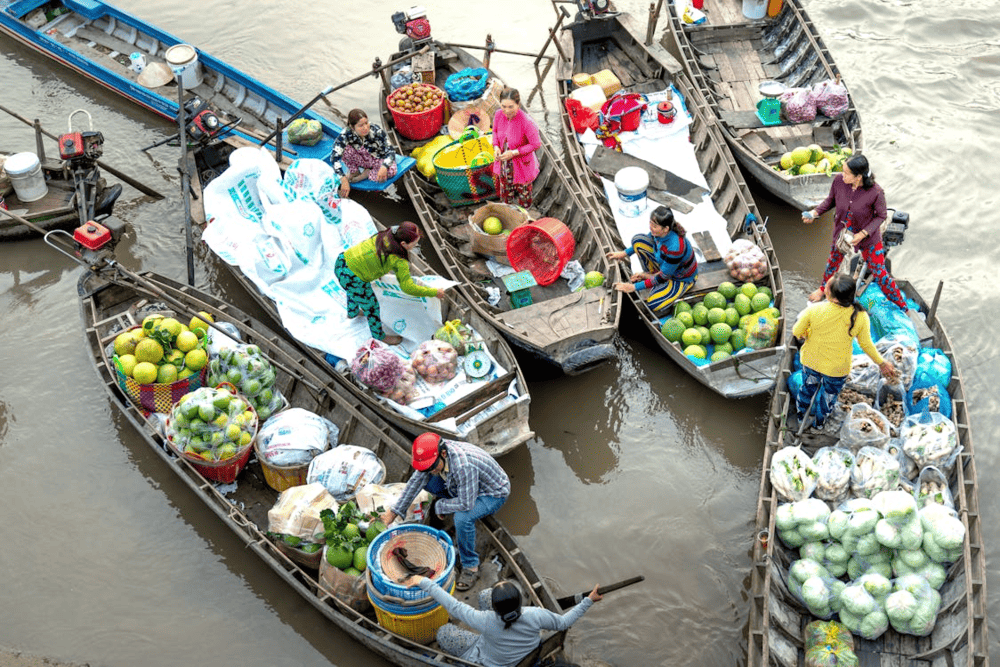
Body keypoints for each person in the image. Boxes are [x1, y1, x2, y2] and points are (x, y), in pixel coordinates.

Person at [380, 433, 510, 591]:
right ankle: (452, 506)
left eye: (432, 467)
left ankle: (471, 566)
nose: (430, 470)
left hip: (492, 493)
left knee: (462, 518)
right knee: (428, 482)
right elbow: (416, 481)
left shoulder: (463, 466)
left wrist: (441, 506)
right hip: (468, 486)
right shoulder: (434, 454)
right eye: (427, 468)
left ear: (443, 453)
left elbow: (466, 503)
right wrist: (393, 512)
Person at [405, 576, 601, 667]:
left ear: (495, 608)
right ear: (519, 603)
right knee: (485, 594)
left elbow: (454, 606)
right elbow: (564, 623)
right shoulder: (535, 614)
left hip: (491, 661)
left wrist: (424, 581)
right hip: (522, 659)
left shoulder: (485, 620)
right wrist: (588, 600)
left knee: (444, 633)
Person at [793, 273, 899, 430]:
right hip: (837, 370)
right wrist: (882, 363)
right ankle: (819, 425)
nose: (824, 287)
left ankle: (801, 417)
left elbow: (797, 331)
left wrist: (807, 333)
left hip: (811, 362)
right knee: (828, 397)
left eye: (826, 286)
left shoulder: (814, 310)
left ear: (832, 296)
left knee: (807, 390)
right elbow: (866, 345)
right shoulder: (860, 316)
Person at [802, 155, 908, 310]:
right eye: (843, 171)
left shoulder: (876, 192)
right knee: (833, 262)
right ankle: (823, 289)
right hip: (843, 232)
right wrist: (815, 213)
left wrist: (863, 234)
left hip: (867, 237)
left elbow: (881, 216)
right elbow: (830, 200)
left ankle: (902, 306)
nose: (842, 175)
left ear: (858, 177)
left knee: (880, 274)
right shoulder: (839, 181)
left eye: (846, 173)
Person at [334, 222, 443, 345]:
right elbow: (408, 287)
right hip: (352, 277)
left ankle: (352, 312)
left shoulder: (385, 235)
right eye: (414, 244)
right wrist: (434, 292)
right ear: (403, 244)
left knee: (353, 290)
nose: (415, 246)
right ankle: (379, 336)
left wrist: (379, 271)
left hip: (342, 261)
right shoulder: (399, 260)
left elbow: (373, 257)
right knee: (372, 307)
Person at [605, 205, 698, 314]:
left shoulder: (675, 247)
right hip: (664, 266)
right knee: (638, 241)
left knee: (653, 304)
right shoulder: (658, 233)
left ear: (666, 229)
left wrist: (633, 287)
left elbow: (663, 277)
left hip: (679, 277)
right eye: (650, 223)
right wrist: (623, 254)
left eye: (654, 226)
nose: (650, 227)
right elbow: (646, 240)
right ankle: (652, 276)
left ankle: (653, 278)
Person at [330, 109, 398, 198]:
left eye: (366, 123)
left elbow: (391, 151)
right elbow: (334, 157)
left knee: (391, 170)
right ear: (352, 127)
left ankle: (366, 173)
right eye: (360, 125)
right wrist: (343, 179)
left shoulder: (376, 131)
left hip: (376, 158)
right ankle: (354, 171)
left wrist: (384, 166)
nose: (365, 128)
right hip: (361, 157)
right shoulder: (346, 134)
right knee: (344, 149)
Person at [491, 88, 541, 208]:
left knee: (524, 195)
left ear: (518, 104)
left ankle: (524, 212)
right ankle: (508, 211)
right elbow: (494, 131)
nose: (507, 110)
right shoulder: (498, 114)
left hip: (522, 166)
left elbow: (536, 144)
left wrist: (514, 152)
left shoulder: (527, 122)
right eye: (503, 106)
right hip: (504, 163)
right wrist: (496, 147)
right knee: (505, 193)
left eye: (511, 107)